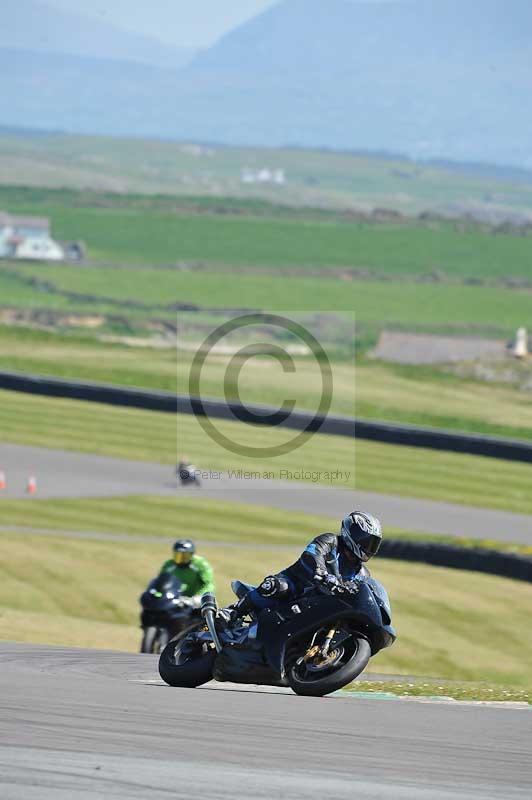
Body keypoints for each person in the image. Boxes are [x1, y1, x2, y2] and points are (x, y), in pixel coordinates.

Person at [223, 511, 382, 621]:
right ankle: (233, 612)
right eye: (366, 540)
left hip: (321, 604)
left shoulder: (362, 573)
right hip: (296, 585)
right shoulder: (330, 541)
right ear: (352, 533)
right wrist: (323, 574)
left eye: (373, 543)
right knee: (277, 586)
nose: (369, 546)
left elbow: (361, 593)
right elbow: (312, 555)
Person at [159, 539, 215, 607]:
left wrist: (200, 597)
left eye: (185, 556)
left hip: (194, 602)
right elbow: (160, 583)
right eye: (178, 555)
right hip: (173, 600)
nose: (182, 559)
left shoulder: (200, 564)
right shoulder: (168, 565)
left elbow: (208, 584)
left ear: (191, 554)